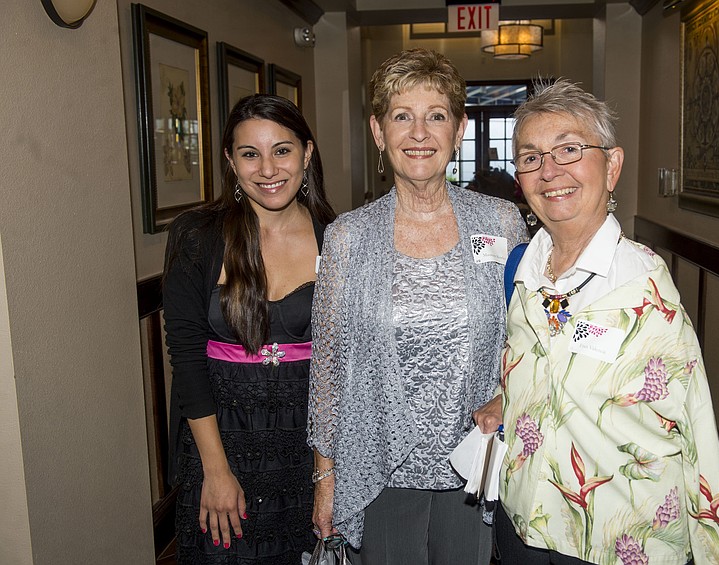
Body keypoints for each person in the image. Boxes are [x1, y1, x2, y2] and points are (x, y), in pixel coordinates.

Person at [496, 79, 719, 565]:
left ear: (612, 166)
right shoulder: (524, 273)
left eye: (569, 149)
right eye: (531, 157)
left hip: (615, 538)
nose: (550, 171)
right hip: (525, 522)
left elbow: (696, 431)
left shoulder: (644, 289)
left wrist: (714, 552)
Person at [307, 48, 528, 565]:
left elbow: (527, 338)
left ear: (459, 129)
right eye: (402, 116)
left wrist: (506, 396)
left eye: (436, 116)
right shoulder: (348, 238)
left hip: (474, 464)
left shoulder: (501, 223)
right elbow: (328, 368)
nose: (420, 133)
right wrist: (325, 477)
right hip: (379, 466)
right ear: (379, 133)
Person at [163, 93, 336, 564]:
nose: (268, 169)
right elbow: (187, 358)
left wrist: (331, 472)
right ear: (229, 160)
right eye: (249, 153)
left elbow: (348, 366)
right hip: (221, 441)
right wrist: (214, 470)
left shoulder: (339, 237)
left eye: (282, 150)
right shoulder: (197, 236)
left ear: (307, 152)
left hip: (308, 450)